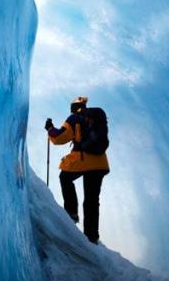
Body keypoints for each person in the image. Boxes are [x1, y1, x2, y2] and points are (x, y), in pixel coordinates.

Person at [45, 96, 110, 244]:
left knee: (65, 178)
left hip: (83, 160)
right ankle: (92, 236)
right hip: (100, 163)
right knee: (92, 200)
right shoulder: (96, 116)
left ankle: (71, 213)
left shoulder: (75, 118)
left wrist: (50, 128)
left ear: (74, 107)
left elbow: (59, 137)